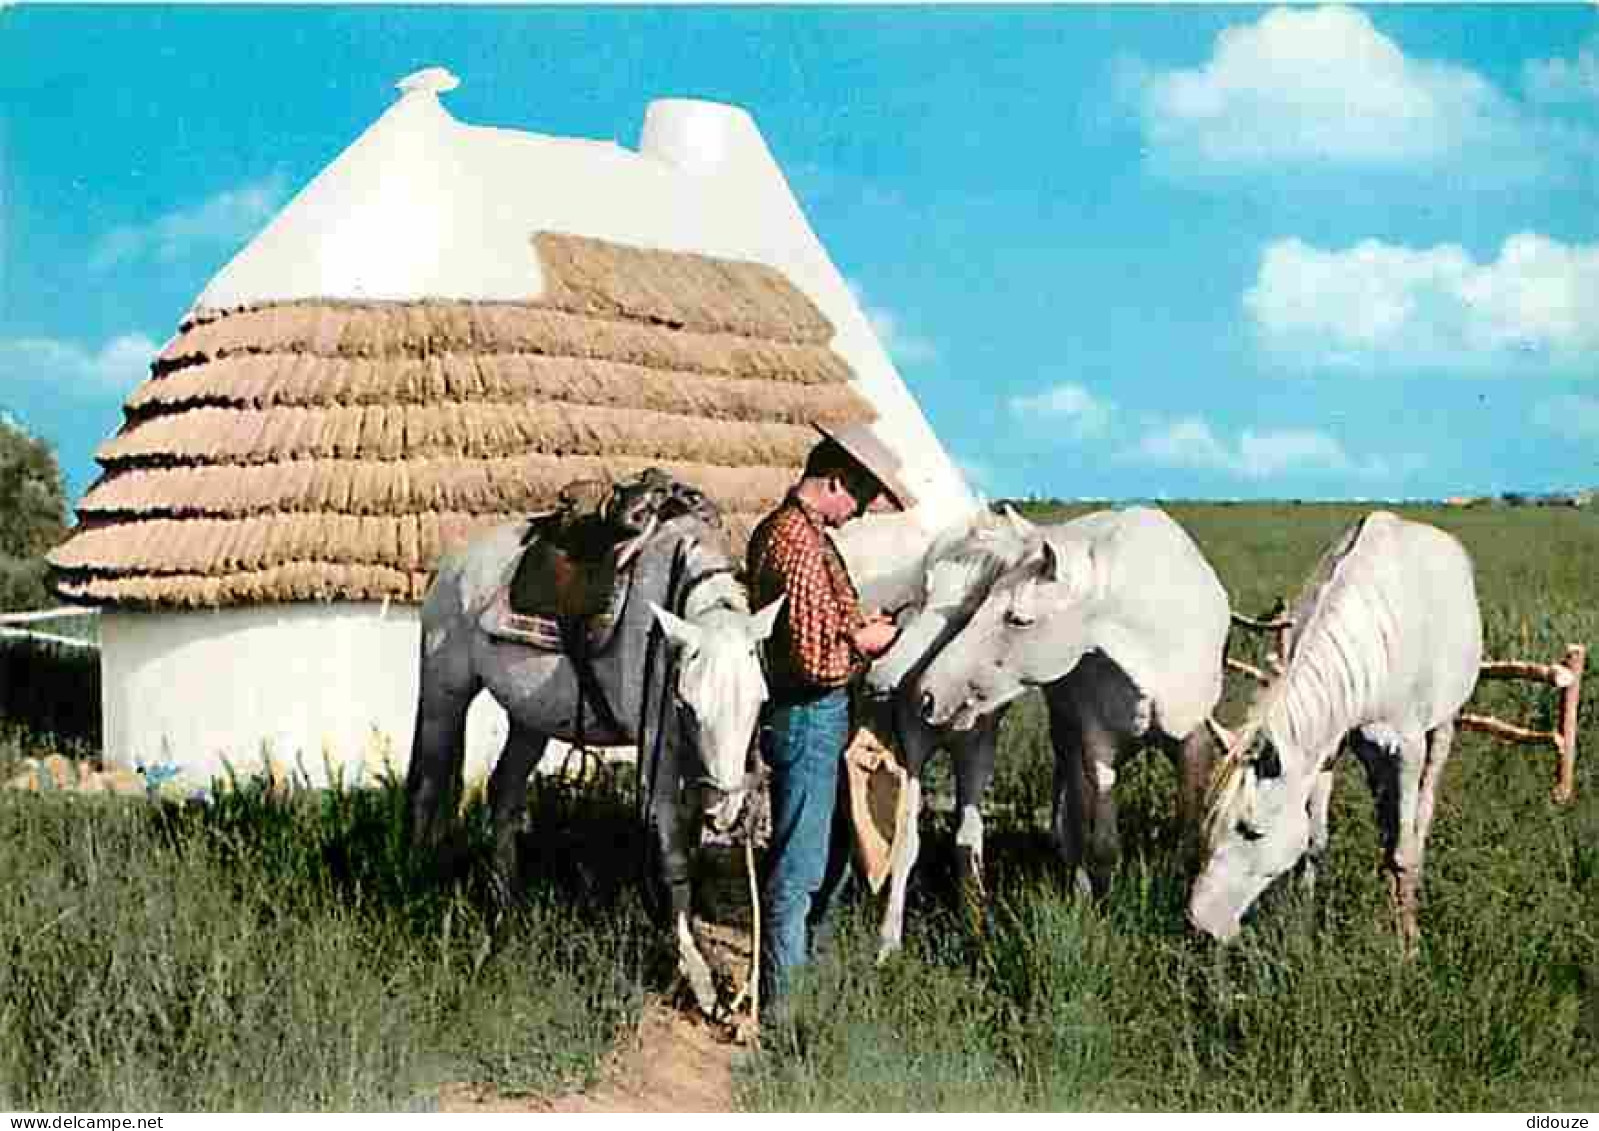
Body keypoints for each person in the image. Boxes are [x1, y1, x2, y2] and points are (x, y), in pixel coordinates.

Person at [745, 422, 916, 1011]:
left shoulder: (797, 535)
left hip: (817, 716)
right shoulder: (797, 543)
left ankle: (799, 981)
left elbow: (812, 626)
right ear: (837, 482)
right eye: (861, 500)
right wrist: (870, 640)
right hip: (810, 714)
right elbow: (817, 660)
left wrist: (854, 623)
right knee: (800, 866)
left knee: (830, 853)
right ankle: (782, 1010)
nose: (860, 514)